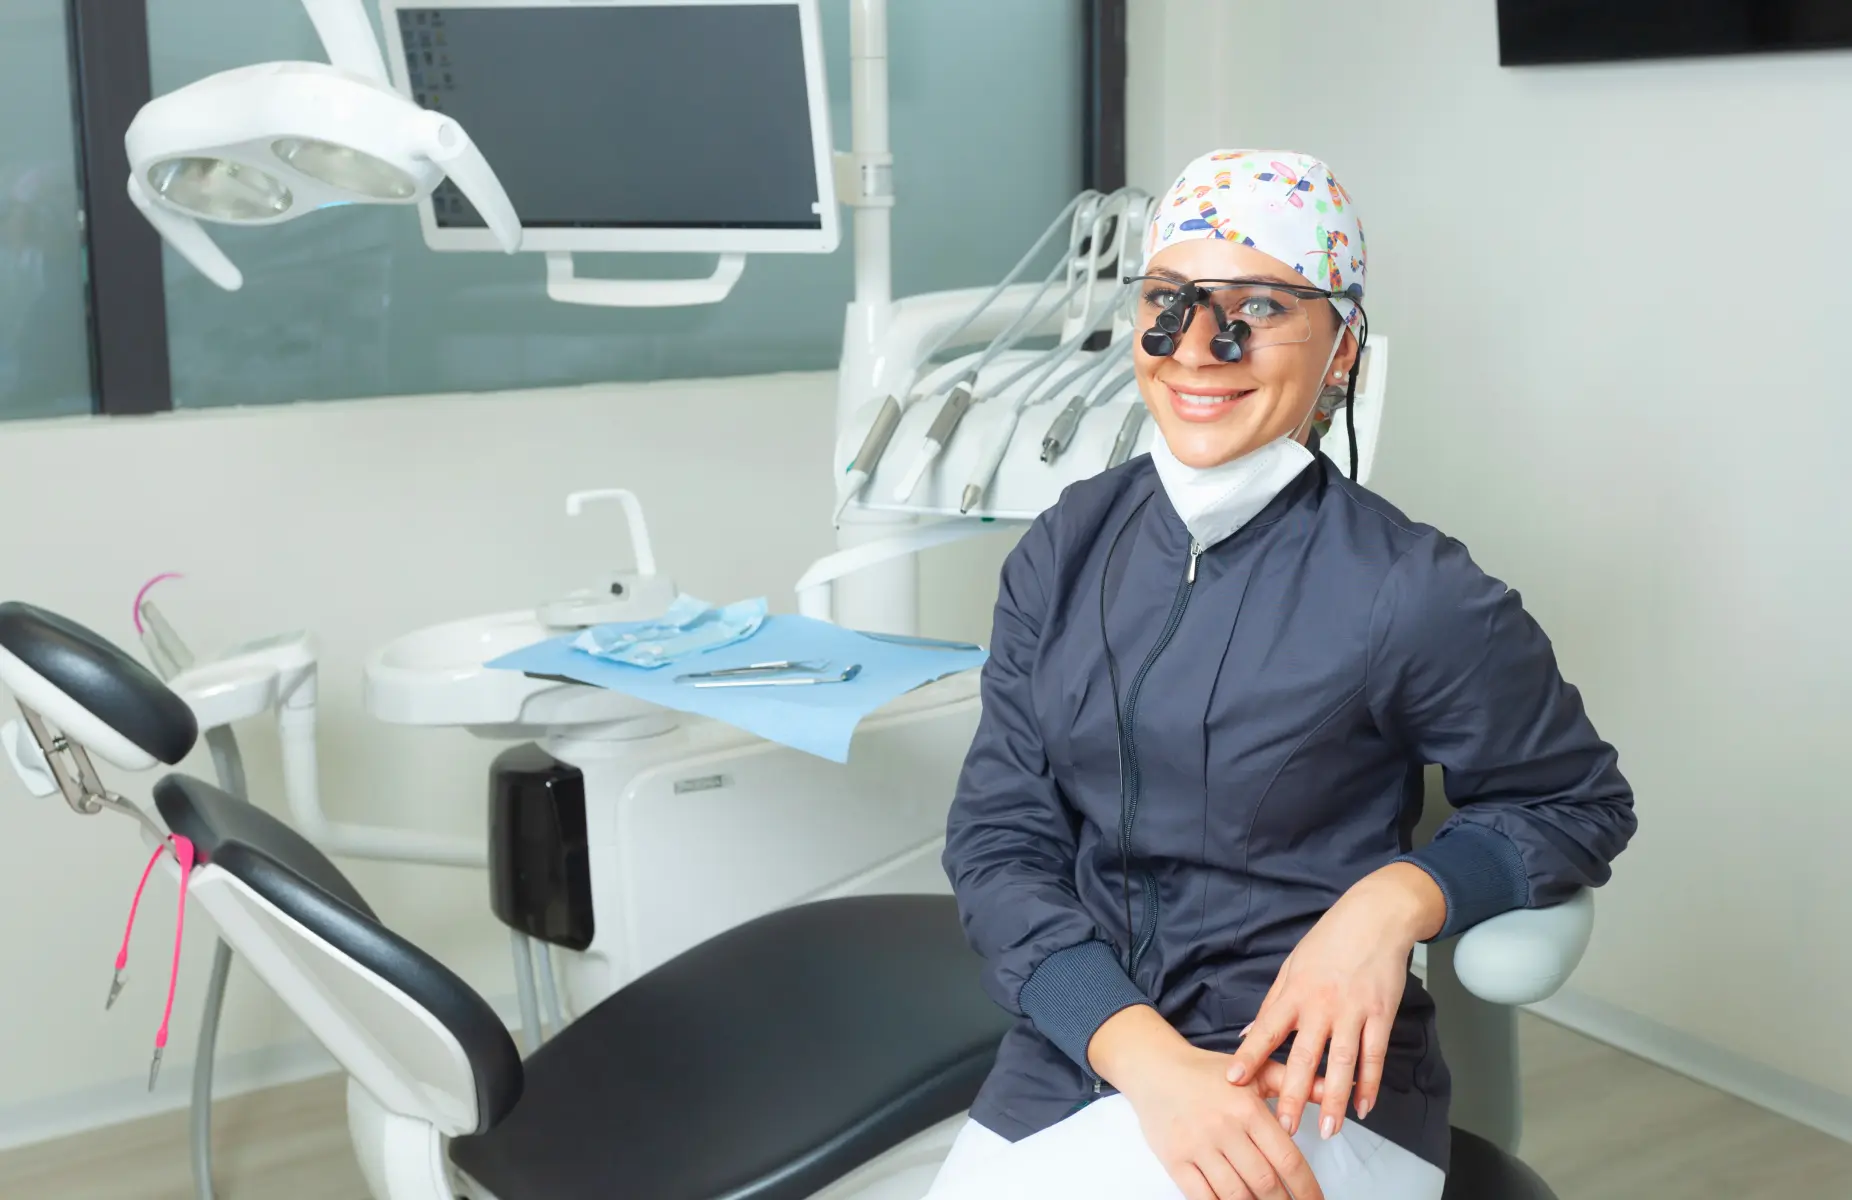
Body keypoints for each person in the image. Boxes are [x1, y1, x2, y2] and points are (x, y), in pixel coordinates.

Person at [928, 149, 1637, 1200]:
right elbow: (999, 840)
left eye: (1258, 307)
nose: (1197, 348)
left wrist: (1397, 899)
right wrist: (1144, 1059)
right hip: (1080, 1055)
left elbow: (1576, 802)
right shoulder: (1066, 547)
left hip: (1305, 1074)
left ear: (1341, 347)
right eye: (1168, 301)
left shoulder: (1411, 591)